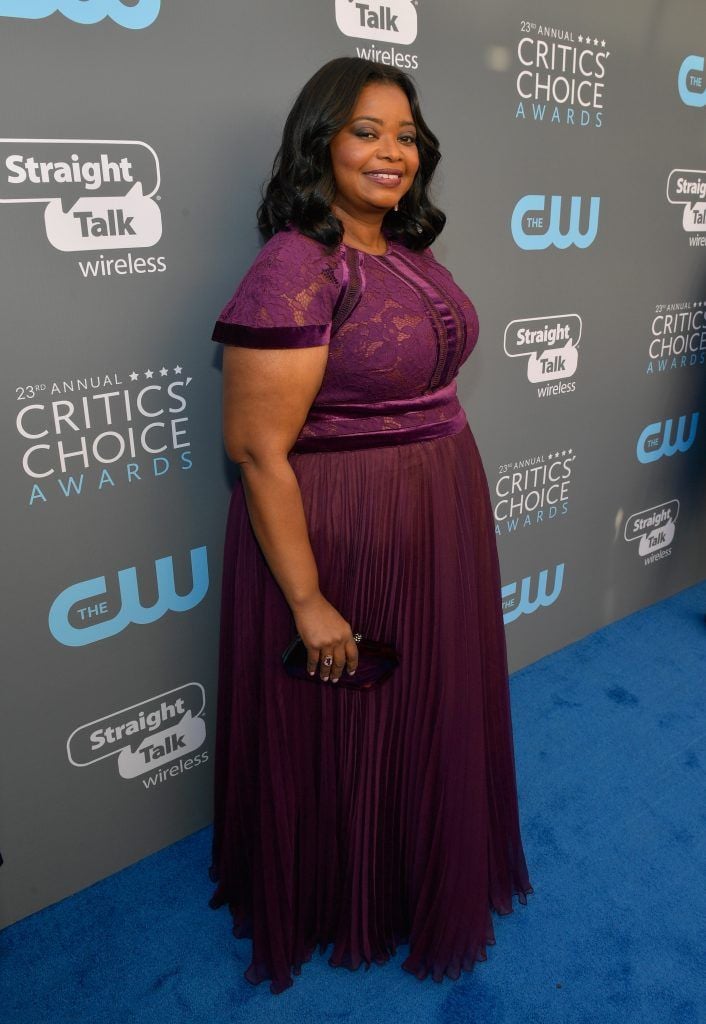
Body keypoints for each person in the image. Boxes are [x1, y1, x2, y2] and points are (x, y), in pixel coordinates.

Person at [208, 56, 533, 995]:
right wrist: (307, 600)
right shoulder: (292, 268)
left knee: (422, 707)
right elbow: (261, 452)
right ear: (321, 143)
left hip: (436, 508)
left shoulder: (401, 249)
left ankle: (413, 871)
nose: (392, 151)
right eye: (366, 131)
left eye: (405, 134)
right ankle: (347, 897)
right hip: (346, 527)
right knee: (351, 717)